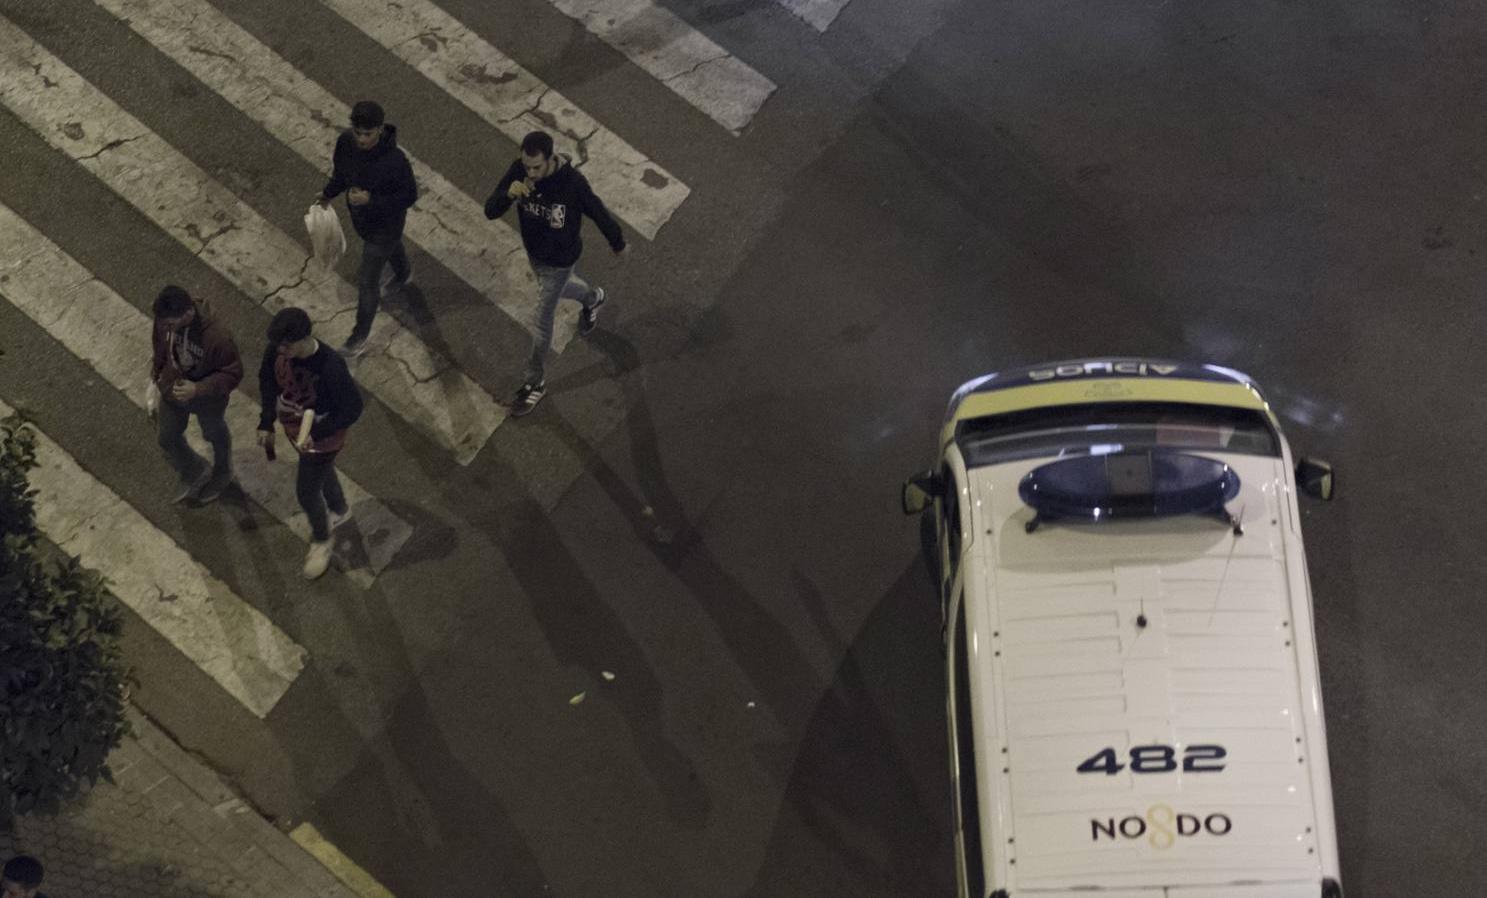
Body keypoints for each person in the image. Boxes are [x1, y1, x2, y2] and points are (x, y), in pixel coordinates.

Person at [484, 129, 627, 416]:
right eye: (527, 166)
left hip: (561, 260)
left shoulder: (573, 184)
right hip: (535, 254)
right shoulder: (519, 171)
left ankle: (534, 383)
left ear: (551, 159)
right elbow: (490, 209)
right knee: (561, 291)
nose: (531, 173)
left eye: (537, 167)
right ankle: (592, 298)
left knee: (542, 320)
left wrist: (617, 242)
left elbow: (597, 211)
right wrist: (508, 195)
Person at [256, 308, 363, 580]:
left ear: (304, 338)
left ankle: (322, 539)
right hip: (294, 429)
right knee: (322, 475)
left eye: (286, 345)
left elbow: (352, 408)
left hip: (321, 441)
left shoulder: (331, 367)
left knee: (306, 493)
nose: (281, 350)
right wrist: (267, 421)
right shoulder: (278, 352)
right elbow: (267, 380)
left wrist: (317, 432)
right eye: (279, 345)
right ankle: (338, 507)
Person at [317, 100, 418, 357]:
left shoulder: (395, 161)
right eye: (357, 132)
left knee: (368, 281)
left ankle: (358, 337)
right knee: (392, 250)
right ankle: (404, 272)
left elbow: (409, 196)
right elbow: (341, 174)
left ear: (380, 130)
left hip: (385, 226)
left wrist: (371, 200)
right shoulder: (345, 144)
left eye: (368, 134)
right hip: (362, 221)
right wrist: (328, 194)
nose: (362, 139)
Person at [148, 285, 243, 504]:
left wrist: (198, 389)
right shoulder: (164, 320)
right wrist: (156, 373)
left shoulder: (218, 337)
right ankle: (194, 470)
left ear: (189, 313)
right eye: (163, 323)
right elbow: (159, 345)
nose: (166, 328)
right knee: (167, 436)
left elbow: (233, 373)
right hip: (172, 390)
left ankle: (223, 472)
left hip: (208, 400)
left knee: (214, 433)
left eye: (171, 324)